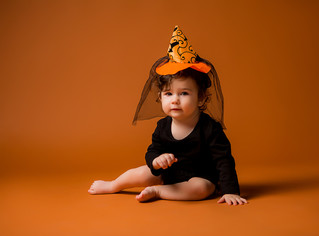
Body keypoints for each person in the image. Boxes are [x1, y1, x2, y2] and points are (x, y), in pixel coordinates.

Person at [88, 26, 247, 205]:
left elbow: (224, 160)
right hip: (168, 174)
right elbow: (153, 150)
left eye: (184, 93)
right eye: (168, 94)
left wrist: (230, 190)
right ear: (160, 97)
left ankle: (158, 192)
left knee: (202, 188)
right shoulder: (163, 126)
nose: (175, 100)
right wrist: (156, 161)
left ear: (201, 96)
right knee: (142, 172)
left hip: (199, 177)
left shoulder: (210, 128)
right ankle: (113, 185)